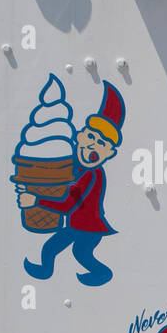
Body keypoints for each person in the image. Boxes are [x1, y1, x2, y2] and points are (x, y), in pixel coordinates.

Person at [17, 83, 125, 286]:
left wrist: (36, 200)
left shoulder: (91, 175)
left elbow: (67, 204)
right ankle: (45, 272)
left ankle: (102, 274)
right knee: (51, 248)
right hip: (77, 225)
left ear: (109, 153)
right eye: (91, 136)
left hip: (89, 228)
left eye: (102, 143)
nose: (93, 144)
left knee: (80, 254)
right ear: (80, 136)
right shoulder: (76, 167)